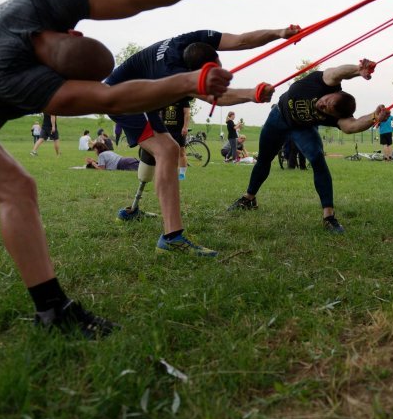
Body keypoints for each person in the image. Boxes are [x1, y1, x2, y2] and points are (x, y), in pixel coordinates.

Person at [0, 0, 251, 337]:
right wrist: (192, 81)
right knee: (15, 187)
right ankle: (52, 311)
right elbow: (113, 97)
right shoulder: (18, 79)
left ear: (71, 29)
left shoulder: (40, 5)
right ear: (73, 37)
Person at [107, 24, 299, 256]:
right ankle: (171, 237)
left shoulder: (192, 39)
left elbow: (240, 40)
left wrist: (279, 34)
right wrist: (252, 94)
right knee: (167, 150)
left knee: (164, 151)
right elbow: (216, 97)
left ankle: (133, 211)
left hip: (140, 94)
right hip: (122, 97)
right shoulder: (176, 74)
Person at [228, 59, 390, 233]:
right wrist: (359, 70)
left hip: (302, 129)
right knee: (264, 159)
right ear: (331, 92)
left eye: (327, 108)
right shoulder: (324, 82)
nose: (322, 104)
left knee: (318, 160)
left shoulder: (337, 116)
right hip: (279, 117)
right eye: (326, 100)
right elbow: (337, 72)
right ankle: (248, 199)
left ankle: (329, 216)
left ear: (335, 114)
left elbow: (352, 125)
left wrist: (374, 117)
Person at [161, 99, 191, 180]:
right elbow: (159, 114)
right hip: (166, 130)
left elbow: (187, 113)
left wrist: (185, 127)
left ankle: (182, 174)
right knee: (166, 152)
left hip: (179, 130)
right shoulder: (164, 98)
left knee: (181, 151)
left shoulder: (183, 99)